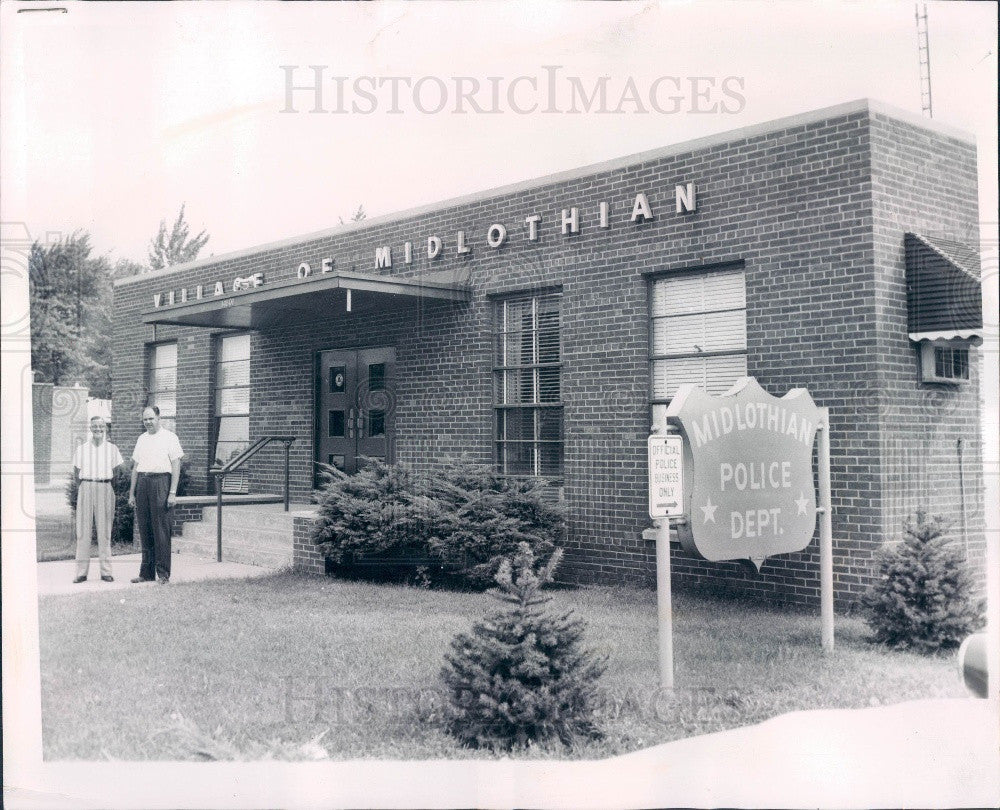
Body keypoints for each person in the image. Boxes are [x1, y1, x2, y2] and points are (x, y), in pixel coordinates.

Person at [128, 406, 184, 584]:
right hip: (143, 483)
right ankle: (146, 573)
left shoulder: (170, 437)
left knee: (161, 530)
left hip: (161, 483)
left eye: (151, 418)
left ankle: (163, 574)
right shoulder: (141, 438)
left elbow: (176, 465)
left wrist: (172, 492)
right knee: (145, 530)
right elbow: (135, 467)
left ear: (159, 418)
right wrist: (132, 493)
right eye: (145, 419)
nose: (148, 422)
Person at [72, 416, 124, 583]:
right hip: (86, 487)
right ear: (90, 428)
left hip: (105, 487)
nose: (98, 429)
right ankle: (81, 573)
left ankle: (106, 572)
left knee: (105, 532)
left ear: (105, 428)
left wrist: (105, 486)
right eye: (95, 426)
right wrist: (86, 486)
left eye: (101, 426)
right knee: (83, 532)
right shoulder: (82, 449)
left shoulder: (112, 449)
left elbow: (117, 473)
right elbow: (76, 473)